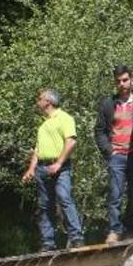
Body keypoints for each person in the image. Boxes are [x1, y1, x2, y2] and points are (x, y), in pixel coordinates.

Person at [22, 88, 85, 250]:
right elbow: (38, 149)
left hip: (60, 166)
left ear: (48, 102)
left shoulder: (65, 118)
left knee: (64, 198)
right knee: (45, 205)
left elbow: (71, 142)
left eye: (40, 98)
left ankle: (76, 237)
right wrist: (31, 169)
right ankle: (48, 243)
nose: (38, 101)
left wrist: (58, 163)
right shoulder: (43, 125)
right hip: (42, 168)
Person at [94, 65, 133, 243]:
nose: (122, 84)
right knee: (115, 194)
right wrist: (109, 150)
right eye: (118, 81)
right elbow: (99, 130)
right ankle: (114, 230)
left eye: (125, 80)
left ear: (131, 80)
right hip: (117, 156)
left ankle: (131, 230)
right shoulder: (108, 104)